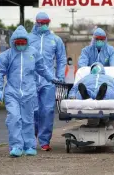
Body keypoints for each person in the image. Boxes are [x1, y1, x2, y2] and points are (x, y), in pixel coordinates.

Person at [0, 25, 54, 157]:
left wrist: (51, 78)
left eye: (23, 42)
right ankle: (16, 146)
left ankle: (29, 146)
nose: (21, 45)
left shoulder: (33, 52)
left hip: (29, 91)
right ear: (13, 42)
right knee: (14, 118)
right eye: (18, 42)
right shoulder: (7, 55)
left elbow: (41, 68)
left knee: (28, 120)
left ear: (27, 41)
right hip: (12, 92)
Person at [29, 12, 67, 151]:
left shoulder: (55, 40)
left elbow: (61, 59)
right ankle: (30, 138)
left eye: (47, 23)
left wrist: (60, 76)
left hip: (48, 80)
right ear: (36, 23)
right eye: (42, 23)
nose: (44, 25)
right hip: (31, 80)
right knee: (32, 110)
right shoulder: (28, 38)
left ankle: (44, 141)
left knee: (47, 110)